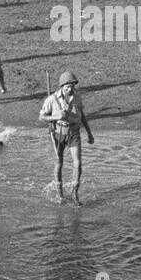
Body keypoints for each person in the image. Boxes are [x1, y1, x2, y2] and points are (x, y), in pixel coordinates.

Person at [38, 70, 94, 204]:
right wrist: (56, 116)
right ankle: (60, 195)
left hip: (74, 133)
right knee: (59, 163)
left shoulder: (77, 97)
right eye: (68, 87)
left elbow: (82, 115)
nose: (70, 89)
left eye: (72, 86)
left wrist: (89, 133)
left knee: (78, 163)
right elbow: (41, 117)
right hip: (58, 134)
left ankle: (75, 194)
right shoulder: (52, 99)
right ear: (62, 86)